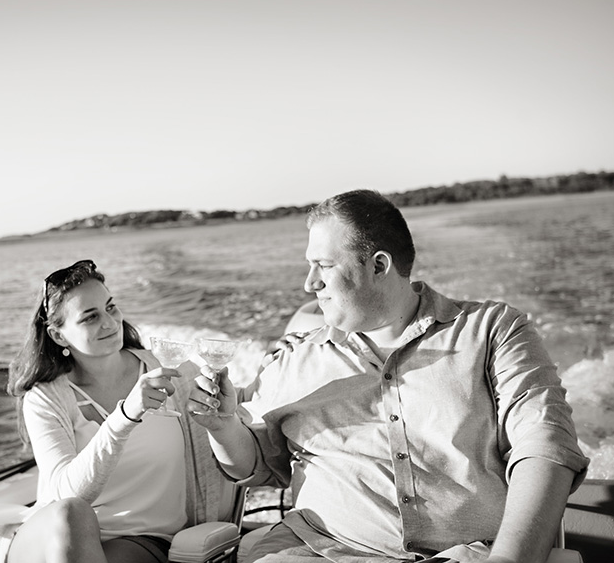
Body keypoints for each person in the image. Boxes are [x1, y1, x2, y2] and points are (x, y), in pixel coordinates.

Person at [190, 190, 589, 563]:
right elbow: (259, 465)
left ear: (379, 265)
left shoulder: (492, 330)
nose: (309, 283)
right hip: (320, 549)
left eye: (323, 266)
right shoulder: (293, 357)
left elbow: (543, 445)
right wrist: (224, 425)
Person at [6, 259, 227, 563]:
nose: (109, 323)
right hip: (49, 539)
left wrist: (280, 361)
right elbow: (66, 496)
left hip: (143, 540)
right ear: (59, 336)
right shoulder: (46, 397)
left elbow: (235, 415)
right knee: (73, 513)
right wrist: (124, 418)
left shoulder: (172, 370)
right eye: (90, 317)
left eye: (111, 308)